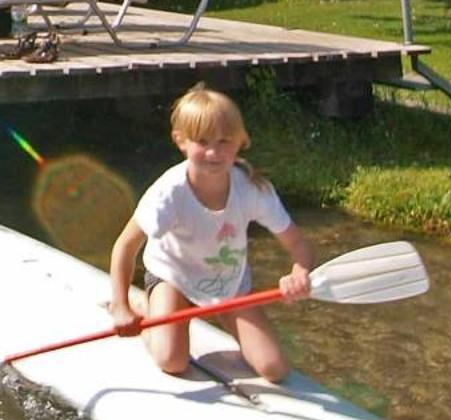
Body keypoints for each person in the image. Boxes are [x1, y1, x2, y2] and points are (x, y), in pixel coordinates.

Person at [107, 85, 316, 383]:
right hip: (173, 277)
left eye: (224, 142)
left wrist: (299, 272)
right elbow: (125, 247)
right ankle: (147, 306)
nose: (214, 152)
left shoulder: (252, 189)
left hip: (228, 284)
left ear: (239, 142)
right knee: (172, 361)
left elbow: (298, 244)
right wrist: (121, 307)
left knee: (274, 369)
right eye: (202, 141)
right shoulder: (169, 193)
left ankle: (175, 315)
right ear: (181, 141)